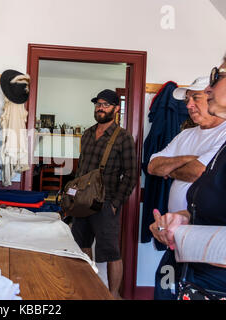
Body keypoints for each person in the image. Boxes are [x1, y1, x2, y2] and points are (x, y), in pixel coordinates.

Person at [150, 41, 226, 299]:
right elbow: (153, 165)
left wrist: (180, 234)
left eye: (217, 76)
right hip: (192, 276)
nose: (210, 87)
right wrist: (182, 217)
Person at [71, 89, 137, 299]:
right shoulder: (88, 133)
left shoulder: (123, 137)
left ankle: (112, 294)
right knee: (81, 248)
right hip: (82, 203)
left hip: (106, 203)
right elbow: (81, 169)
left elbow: (131, 175)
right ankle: (88, 289)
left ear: (116, 109)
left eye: (105, 104)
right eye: (98, 104)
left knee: (111, 252)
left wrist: (115, 203)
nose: (100, 108)